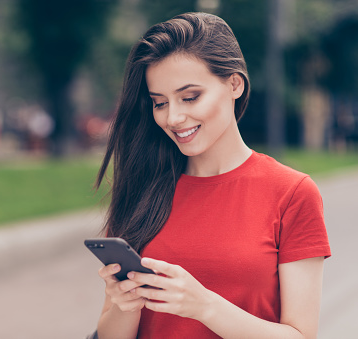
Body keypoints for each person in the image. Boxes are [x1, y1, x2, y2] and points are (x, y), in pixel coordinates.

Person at [93, 12, 331, 339]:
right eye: (159, 103)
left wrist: (204, 306)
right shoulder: (142, 188)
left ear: (234, 84)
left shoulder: (292, 193)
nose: (174, 117)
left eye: (190, 97)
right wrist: (125, 305)